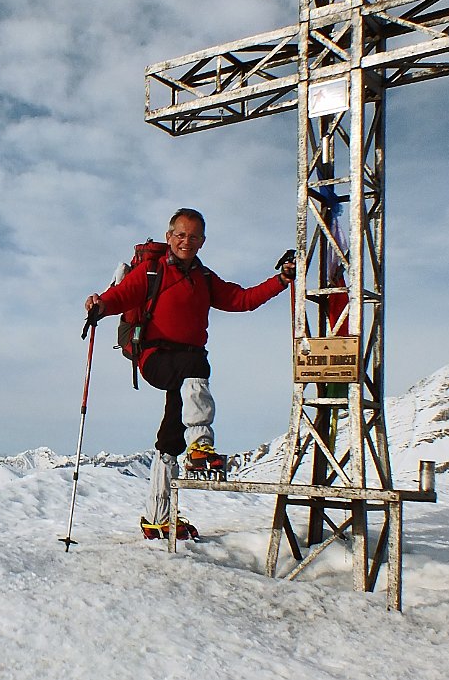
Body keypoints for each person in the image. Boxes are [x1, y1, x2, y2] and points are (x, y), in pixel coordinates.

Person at [84, 207, 295, 539]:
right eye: (181, 235)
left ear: (202, 241)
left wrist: (281, 281)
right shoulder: (152, 272)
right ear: (169, 237)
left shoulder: (204, 278)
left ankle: (157, 517)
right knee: (197, 364)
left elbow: (242, 299)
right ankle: (201, 446)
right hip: (155, 358)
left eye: (194, 236)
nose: (186, 241)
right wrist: (99, 305)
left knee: (170, 435)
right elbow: (121, 296)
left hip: (185, 370)